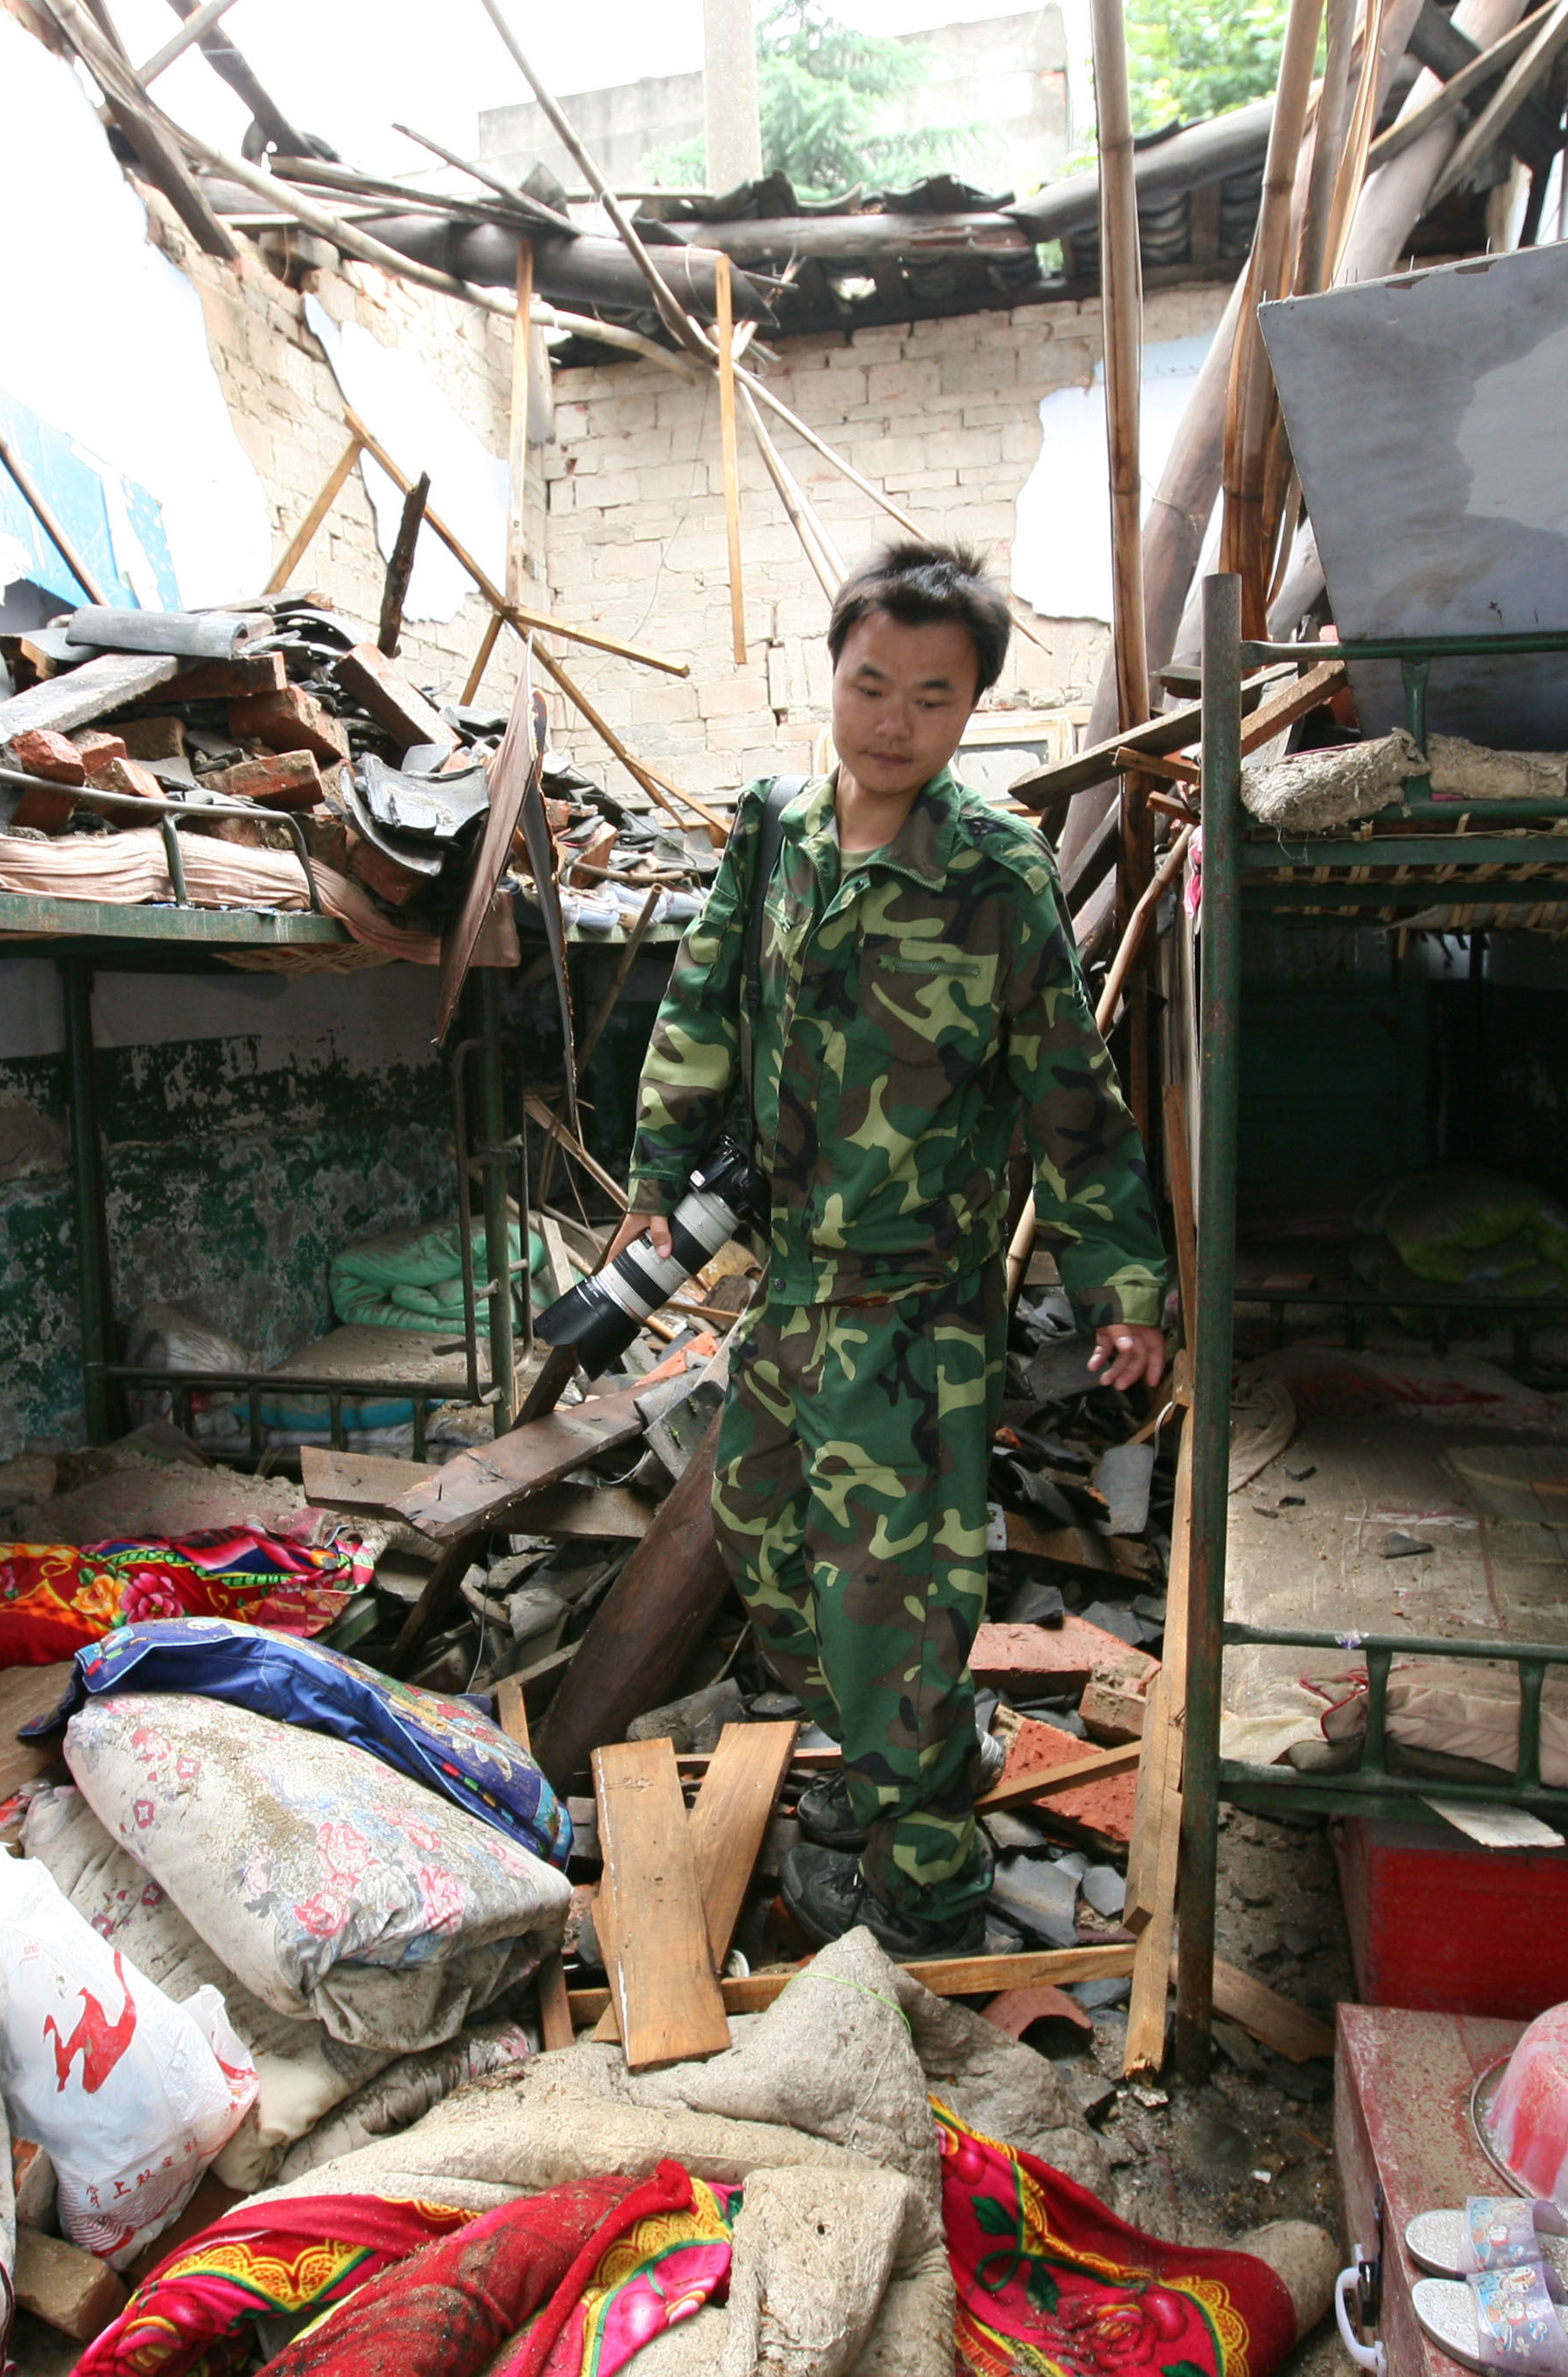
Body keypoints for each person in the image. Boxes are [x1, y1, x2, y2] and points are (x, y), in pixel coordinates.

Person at [609, 540, 1171, 1957]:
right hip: (787, 1288)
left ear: (970, 706)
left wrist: (1125, 1284)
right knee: (757, 1534)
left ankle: (930, 1896)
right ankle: (898, 1748)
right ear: (834, 672)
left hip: (918, 1318)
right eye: (873, 683)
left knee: (897, 1615)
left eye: (933, 693)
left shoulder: (994, 870)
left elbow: (1070, 1094)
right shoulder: (776, 830)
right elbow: (701, 1010)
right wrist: (653, 1183)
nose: (894, 719)